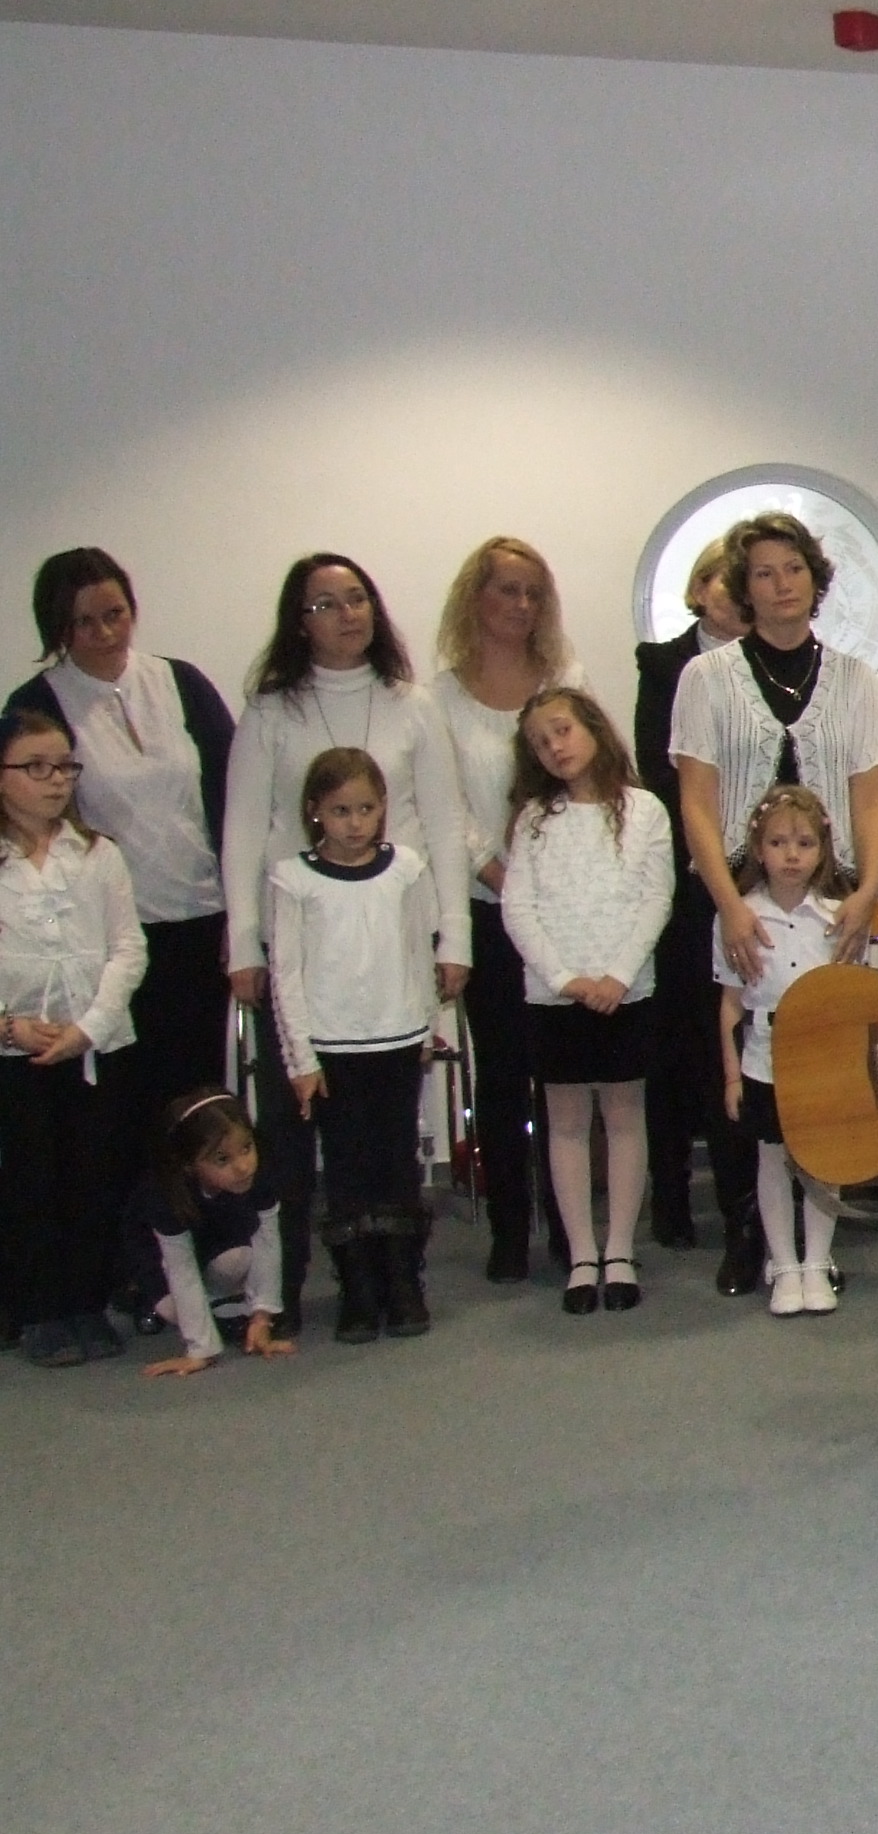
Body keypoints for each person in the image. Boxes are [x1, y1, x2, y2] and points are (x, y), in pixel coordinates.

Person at [221, 553, 470, 1334]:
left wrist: (455, 937)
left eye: (356, 598)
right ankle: (312, 1286)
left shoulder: (411, 704)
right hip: (306, 953)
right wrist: (243, 944)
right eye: (325, 604)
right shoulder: (272, 711)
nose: (346, 614)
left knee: (393, 1140)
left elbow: (444, 824)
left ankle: (402, 1278)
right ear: (299, 622)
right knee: (306, 1137)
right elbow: (242, 831)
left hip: (395, 950)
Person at [671, 511, 878, 1293]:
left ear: (815, 578)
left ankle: (820, 1240)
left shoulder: (854, 680)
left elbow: (871, 799)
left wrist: (867, 893)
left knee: (826, 1066)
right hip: (739, 895)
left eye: (793, 568)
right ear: (744, 588)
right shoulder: (706, 679)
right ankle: (747, 1231)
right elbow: (696, 802)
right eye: (763, 573)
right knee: (746, 1065)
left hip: (830, 899)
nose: (781, 584)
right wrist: (730, 905)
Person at [9, 550, 235, 1133]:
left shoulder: (181, 682)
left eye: (116, 614)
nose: (105, 632)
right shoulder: (38, 704)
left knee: (199, 1101)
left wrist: (242, 916)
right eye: (85, 622)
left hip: (202, 919)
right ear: (58, 627)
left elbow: (231, 799)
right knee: (125, 1101)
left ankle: (195, 1196)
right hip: (109, 938)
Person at [264, 746, 443, 1343]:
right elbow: (286, 974)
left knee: (396, 1162)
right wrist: (301, 1057)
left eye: (366, 809)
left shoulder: (405, 869)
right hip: (332, 1046)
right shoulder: (293, 879)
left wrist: (425, 1025)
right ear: (315, 810)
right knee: (346, 1166)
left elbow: (419, 951)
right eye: (341, 810)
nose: (355, 822)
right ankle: (358, 1288)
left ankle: (404, 1281)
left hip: (397, 1038)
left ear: (383, 807)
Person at [505, 688, 674, 1315]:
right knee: (568, 1123)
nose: (555, 747)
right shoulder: (534, 819)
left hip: (625, 990)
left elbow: (656, 898)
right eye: (540, 742)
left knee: (626, 1117)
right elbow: (518, 906)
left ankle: (621, 1249)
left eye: (562, 730)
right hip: (557, 996)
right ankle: (581, 1253)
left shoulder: (644, 810)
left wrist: (617, 975)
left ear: (594, 729)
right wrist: (564, 977)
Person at [432, 535, 572, 1281]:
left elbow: (588, 782)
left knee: (559, 1072)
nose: (520, 605)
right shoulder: (440, 699)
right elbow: (442, 805)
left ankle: (569, 1221)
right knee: (503, 1072)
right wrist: (497, 870)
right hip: (487, 906)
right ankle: (510, 1226)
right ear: (474, 598)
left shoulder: (564, 682)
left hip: (562, 910)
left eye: (532, 593)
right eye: (506, 590)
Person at [0, 705, 148, 1365]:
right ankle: (39, 1310)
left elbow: (128, 949)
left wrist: (89, 1027)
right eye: (36, 767)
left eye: (64, 766)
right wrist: (10, 1026)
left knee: (94, 1175)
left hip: (94, 1046)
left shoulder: (98, 854)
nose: (56, 779)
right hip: (17, 1050)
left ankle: (87, 1302)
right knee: (31, 1181)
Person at [635, 537, 749, 1274]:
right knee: (679, 1046)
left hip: (761, 872)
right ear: (701, 588)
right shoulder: (663, 665)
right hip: (686, 881)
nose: (738, 596)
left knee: (740, 1044)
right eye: (726, 582)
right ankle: (672, 1195)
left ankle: (748, 1207)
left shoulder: (776, 666)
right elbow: (662, 770)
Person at [716, 785, 852, 1314]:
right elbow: (731, 1004)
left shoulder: (838, 917)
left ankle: (817, 1261)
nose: (791, 855)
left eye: (804, 843)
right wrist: (732, 1076)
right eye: (778, 843)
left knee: (823, 1162)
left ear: (822, 851)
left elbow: (852, 999)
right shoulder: (739, 918)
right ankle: (784, 1263)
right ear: (758, 849)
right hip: (764, 1058)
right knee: (772, 1159)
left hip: (825, 1061)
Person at [132, 1091, 293, 1377]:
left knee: (239, 1258)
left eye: (247, 1148)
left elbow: (267, 1241)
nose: (243, 1166)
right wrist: (200, 1349)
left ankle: (224, 1306)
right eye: (222, 1159)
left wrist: (262, 1316)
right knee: (172, 1308)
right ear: (189, 1164)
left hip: (216, 1244)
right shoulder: (164, 1196)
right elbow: (180, 1268)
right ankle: (153, 1302)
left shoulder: (260, 1173)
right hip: (160, 1260)